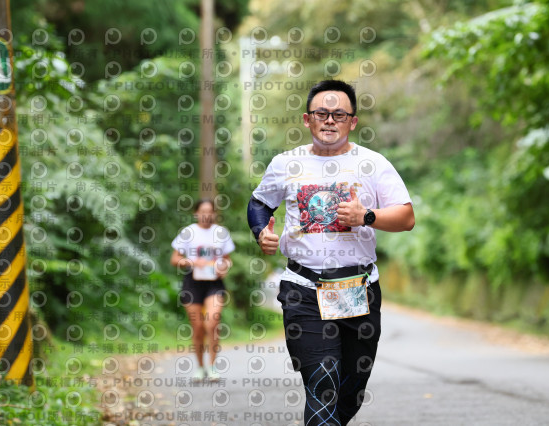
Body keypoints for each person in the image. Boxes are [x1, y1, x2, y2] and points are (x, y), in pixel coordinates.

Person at [247, 80, 414, 425]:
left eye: (339, 115)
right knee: (322, 383)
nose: (329, 120)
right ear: (306, 119)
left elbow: (406, 217)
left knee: (350, 392)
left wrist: (366, 216)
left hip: (358, 289)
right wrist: (261, 232)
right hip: (303, 289)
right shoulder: (285, 163)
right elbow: (259, 203)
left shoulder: (373, 164)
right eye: (321, 113)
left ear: (353, 122)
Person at [170, 199, 235, 381]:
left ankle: (213, 366)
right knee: (198, 327)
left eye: (210, 211)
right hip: (193, 282)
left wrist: (225, 266)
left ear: (214, 214)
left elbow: (228, 259)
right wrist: (191, 261)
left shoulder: (221, 233)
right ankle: (200, 367)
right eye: (203, 211)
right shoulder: (188, 232)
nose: (206, 215)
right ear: (196, 213)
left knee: (212, 323)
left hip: (214, 283)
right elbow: (175, 259)